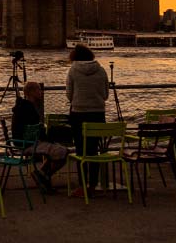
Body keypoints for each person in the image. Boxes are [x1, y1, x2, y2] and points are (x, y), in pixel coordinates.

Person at [64, 42, 111, 195]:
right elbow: (105, 95)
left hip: (78, 114)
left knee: (81, 151)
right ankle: (92, 185)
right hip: (98, 114)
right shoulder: (102, 70)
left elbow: (69, 94)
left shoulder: (72, 71)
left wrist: (79, 101)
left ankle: (82, 186)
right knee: (94, 151)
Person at [10, 81, 69, 194]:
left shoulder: (22, 107)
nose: (41, 92)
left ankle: (41, 175)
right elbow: (37, 130)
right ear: (31, 92)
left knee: (55, 150)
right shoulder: (29, 109)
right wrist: (49, 138)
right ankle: (43, 176)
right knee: (63, 152)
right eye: (38, 90)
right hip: (28, 143)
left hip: (20, 142)